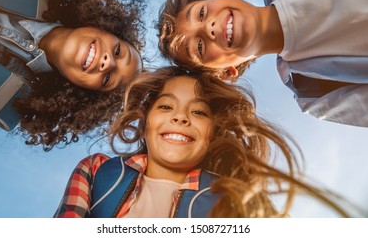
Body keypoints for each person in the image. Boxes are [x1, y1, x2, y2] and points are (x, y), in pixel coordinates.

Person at [54, 66, 350, 218]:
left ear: (213, 132)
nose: (181, 118)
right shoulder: (96, 171)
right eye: (166, 107)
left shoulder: (237, 198)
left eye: (198, 112)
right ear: (146, 122)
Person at [156, 0, 368, 127]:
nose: (208, 28)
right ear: (226, 72)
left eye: (201, 13)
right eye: (199, 47)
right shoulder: (315, 94)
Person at [0, 0, 150, 150]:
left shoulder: (11, 98)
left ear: (85, 92)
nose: (108, 62)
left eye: (108, 78)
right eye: (118, 51)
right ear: (106, 27)